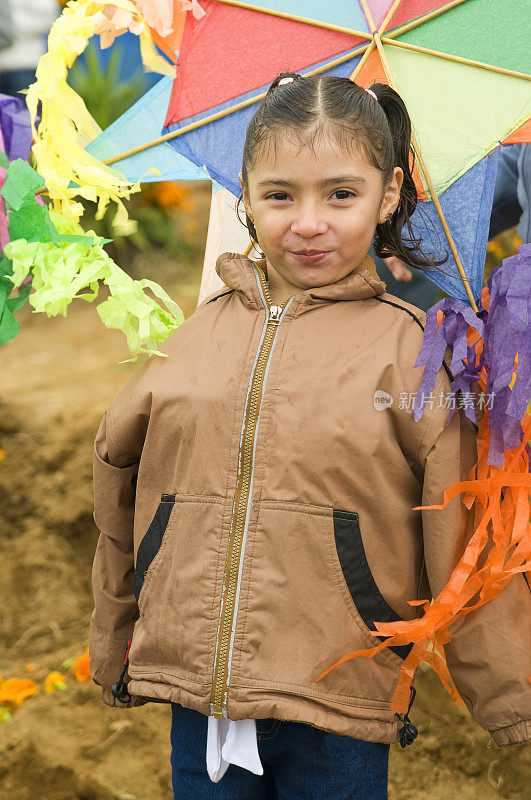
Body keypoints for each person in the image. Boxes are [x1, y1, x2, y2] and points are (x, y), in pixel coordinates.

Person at [88, 73, 530, 799]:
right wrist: (116, 638)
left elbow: (467, 540)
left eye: (340, 194)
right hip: (198, 697)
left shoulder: (411, 355)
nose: (308, 222)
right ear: (246, 195)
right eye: (280, 195)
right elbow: (118, 494)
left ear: (388, 194)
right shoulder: (190, 340)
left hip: (338, 696)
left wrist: (507, 692)